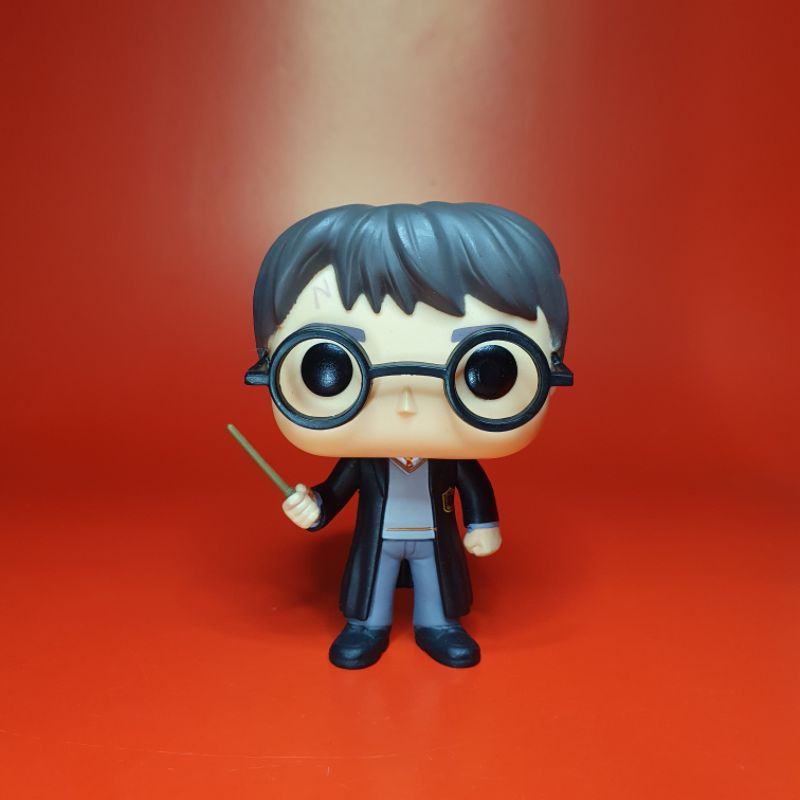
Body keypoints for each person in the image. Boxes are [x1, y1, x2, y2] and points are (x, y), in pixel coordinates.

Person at [245, 202, 572, 669]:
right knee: (373, 583)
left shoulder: (451, 461)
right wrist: (314, 506)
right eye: (330, 367)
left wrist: (483, 524)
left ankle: (438, 625)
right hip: (379, 537)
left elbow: (474, 486)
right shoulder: (363, 460)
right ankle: (367, 626)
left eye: (488, 370)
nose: (405, 404)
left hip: (434, 537)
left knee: (437, 581)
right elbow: (336, 491)